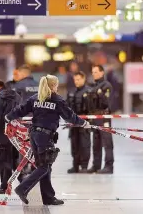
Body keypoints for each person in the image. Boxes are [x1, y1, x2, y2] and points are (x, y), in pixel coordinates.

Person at [5, 74, 90, 205]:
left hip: (34, 135)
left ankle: (48, 197)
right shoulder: (57, 100)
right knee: (44, 167)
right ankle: (22, 188)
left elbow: (21, 110)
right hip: (45, 137)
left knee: (45, 166)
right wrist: (83, 123)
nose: (57, 87)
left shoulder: (35, 98)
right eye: (56, 85)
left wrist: (8, 117)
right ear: (53, 86)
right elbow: (69, 116)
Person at [86, 65, 114, 174]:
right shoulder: (94, 86)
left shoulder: (107, 86)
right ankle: (96, 165)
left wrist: (100, 93)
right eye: (93, 72)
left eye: (96, 72)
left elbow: (107, 102)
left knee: (107, 143)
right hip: (95, 117)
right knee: (96, 143)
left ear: (102, 72)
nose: (94, 74)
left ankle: (109, 166)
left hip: (104, 117)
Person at [66, 71, 91, 173]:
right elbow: (66, 107)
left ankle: (84, 166)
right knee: (74, 145)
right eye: (75, 79)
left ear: (84, 79)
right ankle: (75, 165)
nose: (76, 81)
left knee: (84, 144)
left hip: (85, 123)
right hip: (73, 123)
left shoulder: (89, 91)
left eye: (78, 79)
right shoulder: (71, 92)